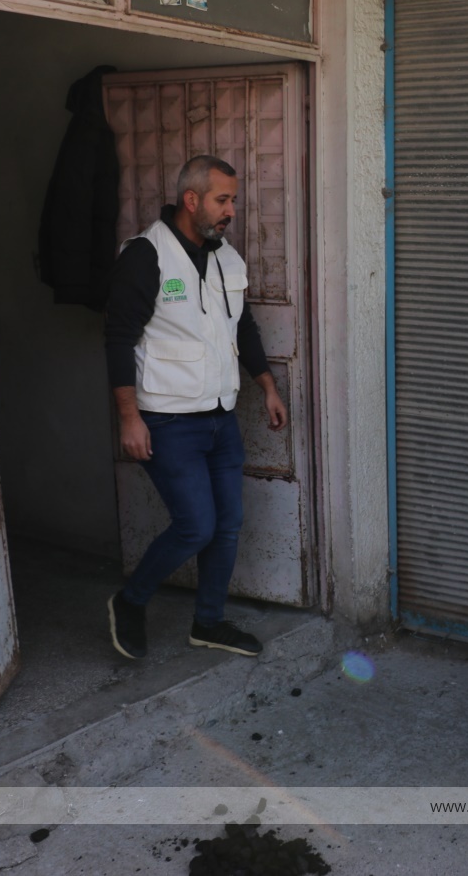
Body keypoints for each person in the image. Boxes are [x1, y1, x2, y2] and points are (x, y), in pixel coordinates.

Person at [103, 155, 288, 660]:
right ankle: (131, 600)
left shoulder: (227, 258)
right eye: (222, 200)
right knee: (196, 525)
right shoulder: (146, 255)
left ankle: (209, 622)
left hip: (219, 417)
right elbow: (118, 339)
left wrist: (267, 387)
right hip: (165, 419)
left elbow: (242, 329)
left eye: (233, 200)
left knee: (226, 524)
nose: (231, 210)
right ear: (192, 200)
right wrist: (129, 417)